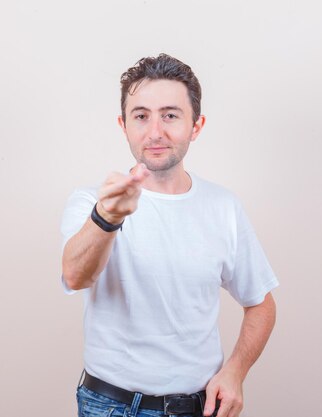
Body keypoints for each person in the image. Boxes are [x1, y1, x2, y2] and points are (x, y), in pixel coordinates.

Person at [60, 53, 278, 417]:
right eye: (141, 116)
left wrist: (235, 372)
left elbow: (262, 304)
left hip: (198, 408)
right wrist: (107, 217)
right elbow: (75, 275)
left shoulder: (223, 206)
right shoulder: (91, 201)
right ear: (124, 125)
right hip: (109, 407)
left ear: (196, 126)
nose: (155, 131)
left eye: (170, 115)